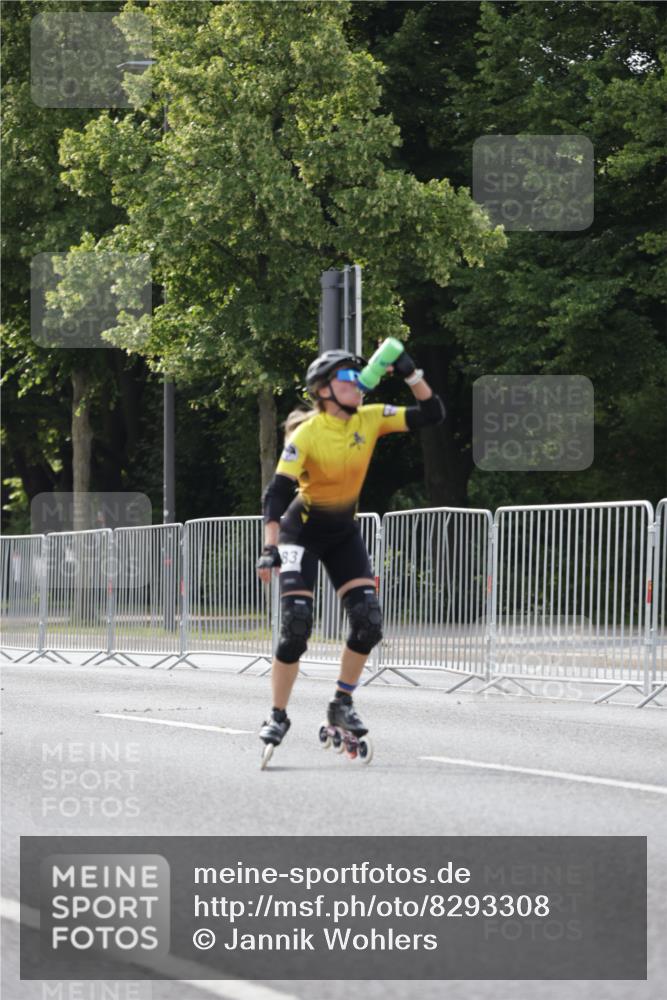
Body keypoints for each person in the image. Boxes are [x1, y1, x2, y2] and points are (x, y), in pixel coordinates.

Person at [256, 342, 445, 757]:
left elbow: (432, 414)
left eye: (359, 377)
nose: (357, 384)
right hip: (300, 533)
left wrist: (412, 373)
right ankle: (278, 713)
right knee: (296, 628)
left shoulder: (373, 419)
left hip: (343, 533)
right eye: (346, 377)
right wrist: (269, 546)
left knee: (368, 623)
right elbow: (277, 493)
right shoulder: (307, 433)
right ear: (322, 389)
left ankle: (341, 702)